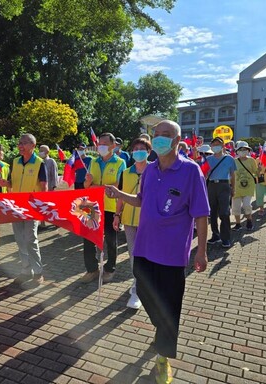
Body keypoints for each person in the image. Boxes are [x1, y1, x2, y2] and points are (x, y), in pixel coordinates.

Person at [105, 120, 209, 384]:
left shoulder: (190, 171)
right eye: (156, 135)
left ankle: (163, 358)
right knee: (143, 291)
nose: (160, 139)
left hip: (172, 253)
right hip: (144, 246)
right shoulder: (150, 170)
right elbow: (140, 200)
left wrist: (202, 252)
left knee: (169, 305)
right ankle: (161, 329)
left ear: (176, 140)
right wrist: (119, 194)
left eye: (166, 135)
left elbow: (201, 214)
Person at [80, 132, 126, 284]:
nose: (101, 146)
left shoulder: (120, 162)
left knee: (111, 240)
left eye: (105, 144)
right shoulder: (93, 162)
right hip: (92, 206)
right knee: (88, 238)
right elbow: (86, 186)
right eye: (99, 144)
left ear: (113, 146)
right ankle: (92, 269)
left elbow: (117, 186)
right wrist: (88, 184)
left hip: (111, 207)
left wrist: (96, 186)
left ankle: (110, 268)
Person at [113, 137, 152, 310]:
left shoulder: (155, 170)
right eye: (135, 148)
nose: (138, 151)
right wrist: (117, 215)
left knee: (148, 256)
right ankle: (137, 289)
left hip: (150, 221)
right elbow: (121, 195)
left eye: (141, 148)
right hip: (129, 220)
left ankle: (145, 284)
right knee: (134, 255)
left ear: (149, 152)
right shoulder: (126, 172)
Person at [8, 133, 48, 289]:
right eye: (19, 143)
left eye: (24, 143)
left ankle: (38, 272)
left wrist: (40, 206)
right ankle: (26, 271)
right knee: (19, 239)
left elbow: (44, 186)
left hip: (32, 208)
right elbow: (12, 181)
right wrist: (6, 182)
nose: (20, 145)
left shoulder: (39, 163)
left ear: (33, 146)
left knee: (31, 239)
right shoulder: (15, 162)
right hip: (15, 207)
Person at [206, 137, 236, 248]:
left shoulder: (229, 159)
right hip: (212, 185)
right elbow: (204, 173)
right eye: (213, 144)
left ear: (223, 146)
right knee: (212, 212)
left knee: (224, 212)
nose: (215, 146)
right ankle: (215, 234)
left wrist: (233, 188)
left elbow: (233, 175)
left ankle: (226, 238)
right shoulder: (208, 159)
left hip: (224, 186)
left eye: (218, 144)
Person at [232, 141, 258, 231]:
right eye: (241, 149)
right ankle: (238, 224)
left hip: (249, 186)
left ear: (248, 150)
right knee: (236, 207)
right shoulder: (234, 161)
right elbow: (231, 174)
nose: (243, 151)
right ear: (237, 151)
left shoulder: (251, 160)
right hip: (236, 188)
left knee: (247, 205)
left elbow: (256, 172)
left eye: (245, 149)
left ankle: (249, 221)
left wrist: (260, 170)